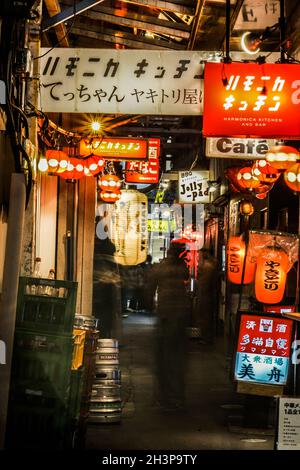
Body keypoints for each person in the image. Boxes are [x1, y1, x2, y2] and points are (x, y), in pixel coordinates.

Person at [148, 242, 191, 410]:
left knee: (163, 358)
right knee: (179, 360)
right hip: (181, 317)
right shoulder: (182, 268)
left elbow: (150, 287)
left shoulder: (162, 267)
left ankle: (163, 396)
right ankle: (177, 396)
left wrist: (150, 304)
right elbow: (187, 276)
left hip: (165, 316)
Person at [195, 247, 218, 344]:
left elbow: (205, 283)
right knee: (206, 317)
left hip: (206, 295)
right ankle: (205, 337)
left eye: (200, 254)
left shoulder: (207, 266)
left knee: (205, 317)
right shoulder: (210, 265)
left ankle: (206, 338)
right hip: (206, 294)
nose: (198, 256)